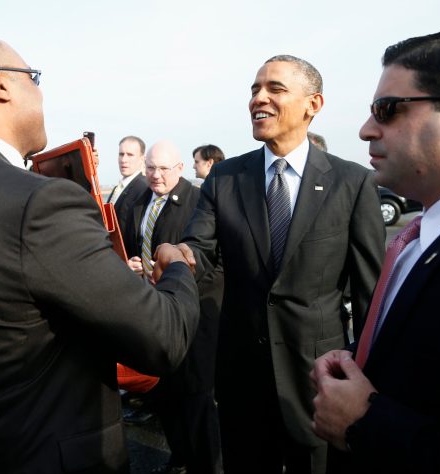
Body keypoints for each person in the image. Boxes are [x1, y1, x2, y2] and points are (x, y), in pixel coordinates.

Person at [0, 32, 200, 473]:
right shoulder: (42, 203)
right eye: (34, 77)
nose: (41, 92)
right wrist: (176, 269)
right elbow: (163, 339)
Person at [163, 55, 386, 474]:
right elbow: (200, 249)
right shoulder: (225, 178)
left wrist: (368, 383)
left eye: (275, 89)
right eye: (254, 89)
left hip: (319, 379)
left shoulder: (351, 183)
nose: (258, 98)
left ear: (313, 104)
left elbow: (370, 293)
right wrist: (179, 258)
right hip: (241, 374)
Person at [311, 29, 440, 474]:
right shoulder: (422, 232)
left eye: (387, 110)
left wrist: (364, 422)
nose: (366, 129)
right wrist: (357, 358)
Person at [123, 141, 224, 474]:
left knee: (196, 397)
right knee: (164, 392)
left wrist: (177, 278)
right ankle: (179, 456)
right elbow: (129, 243)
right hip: (152, 312)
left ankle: (205, 464)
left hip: (192, 313)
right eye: (151, 167)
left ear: (180, 169)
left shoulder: (199, 203)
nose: (155, 175)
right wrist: (135, 264)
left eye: (164, 168)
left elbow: (216, 262)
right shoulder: (137, 200)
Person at [110, 136, 149, 235]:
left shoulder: (143, 188)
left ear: (142, 159)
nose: (124, 160)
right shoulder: (118, 188)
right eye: (121, 154)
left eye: (130, 155)